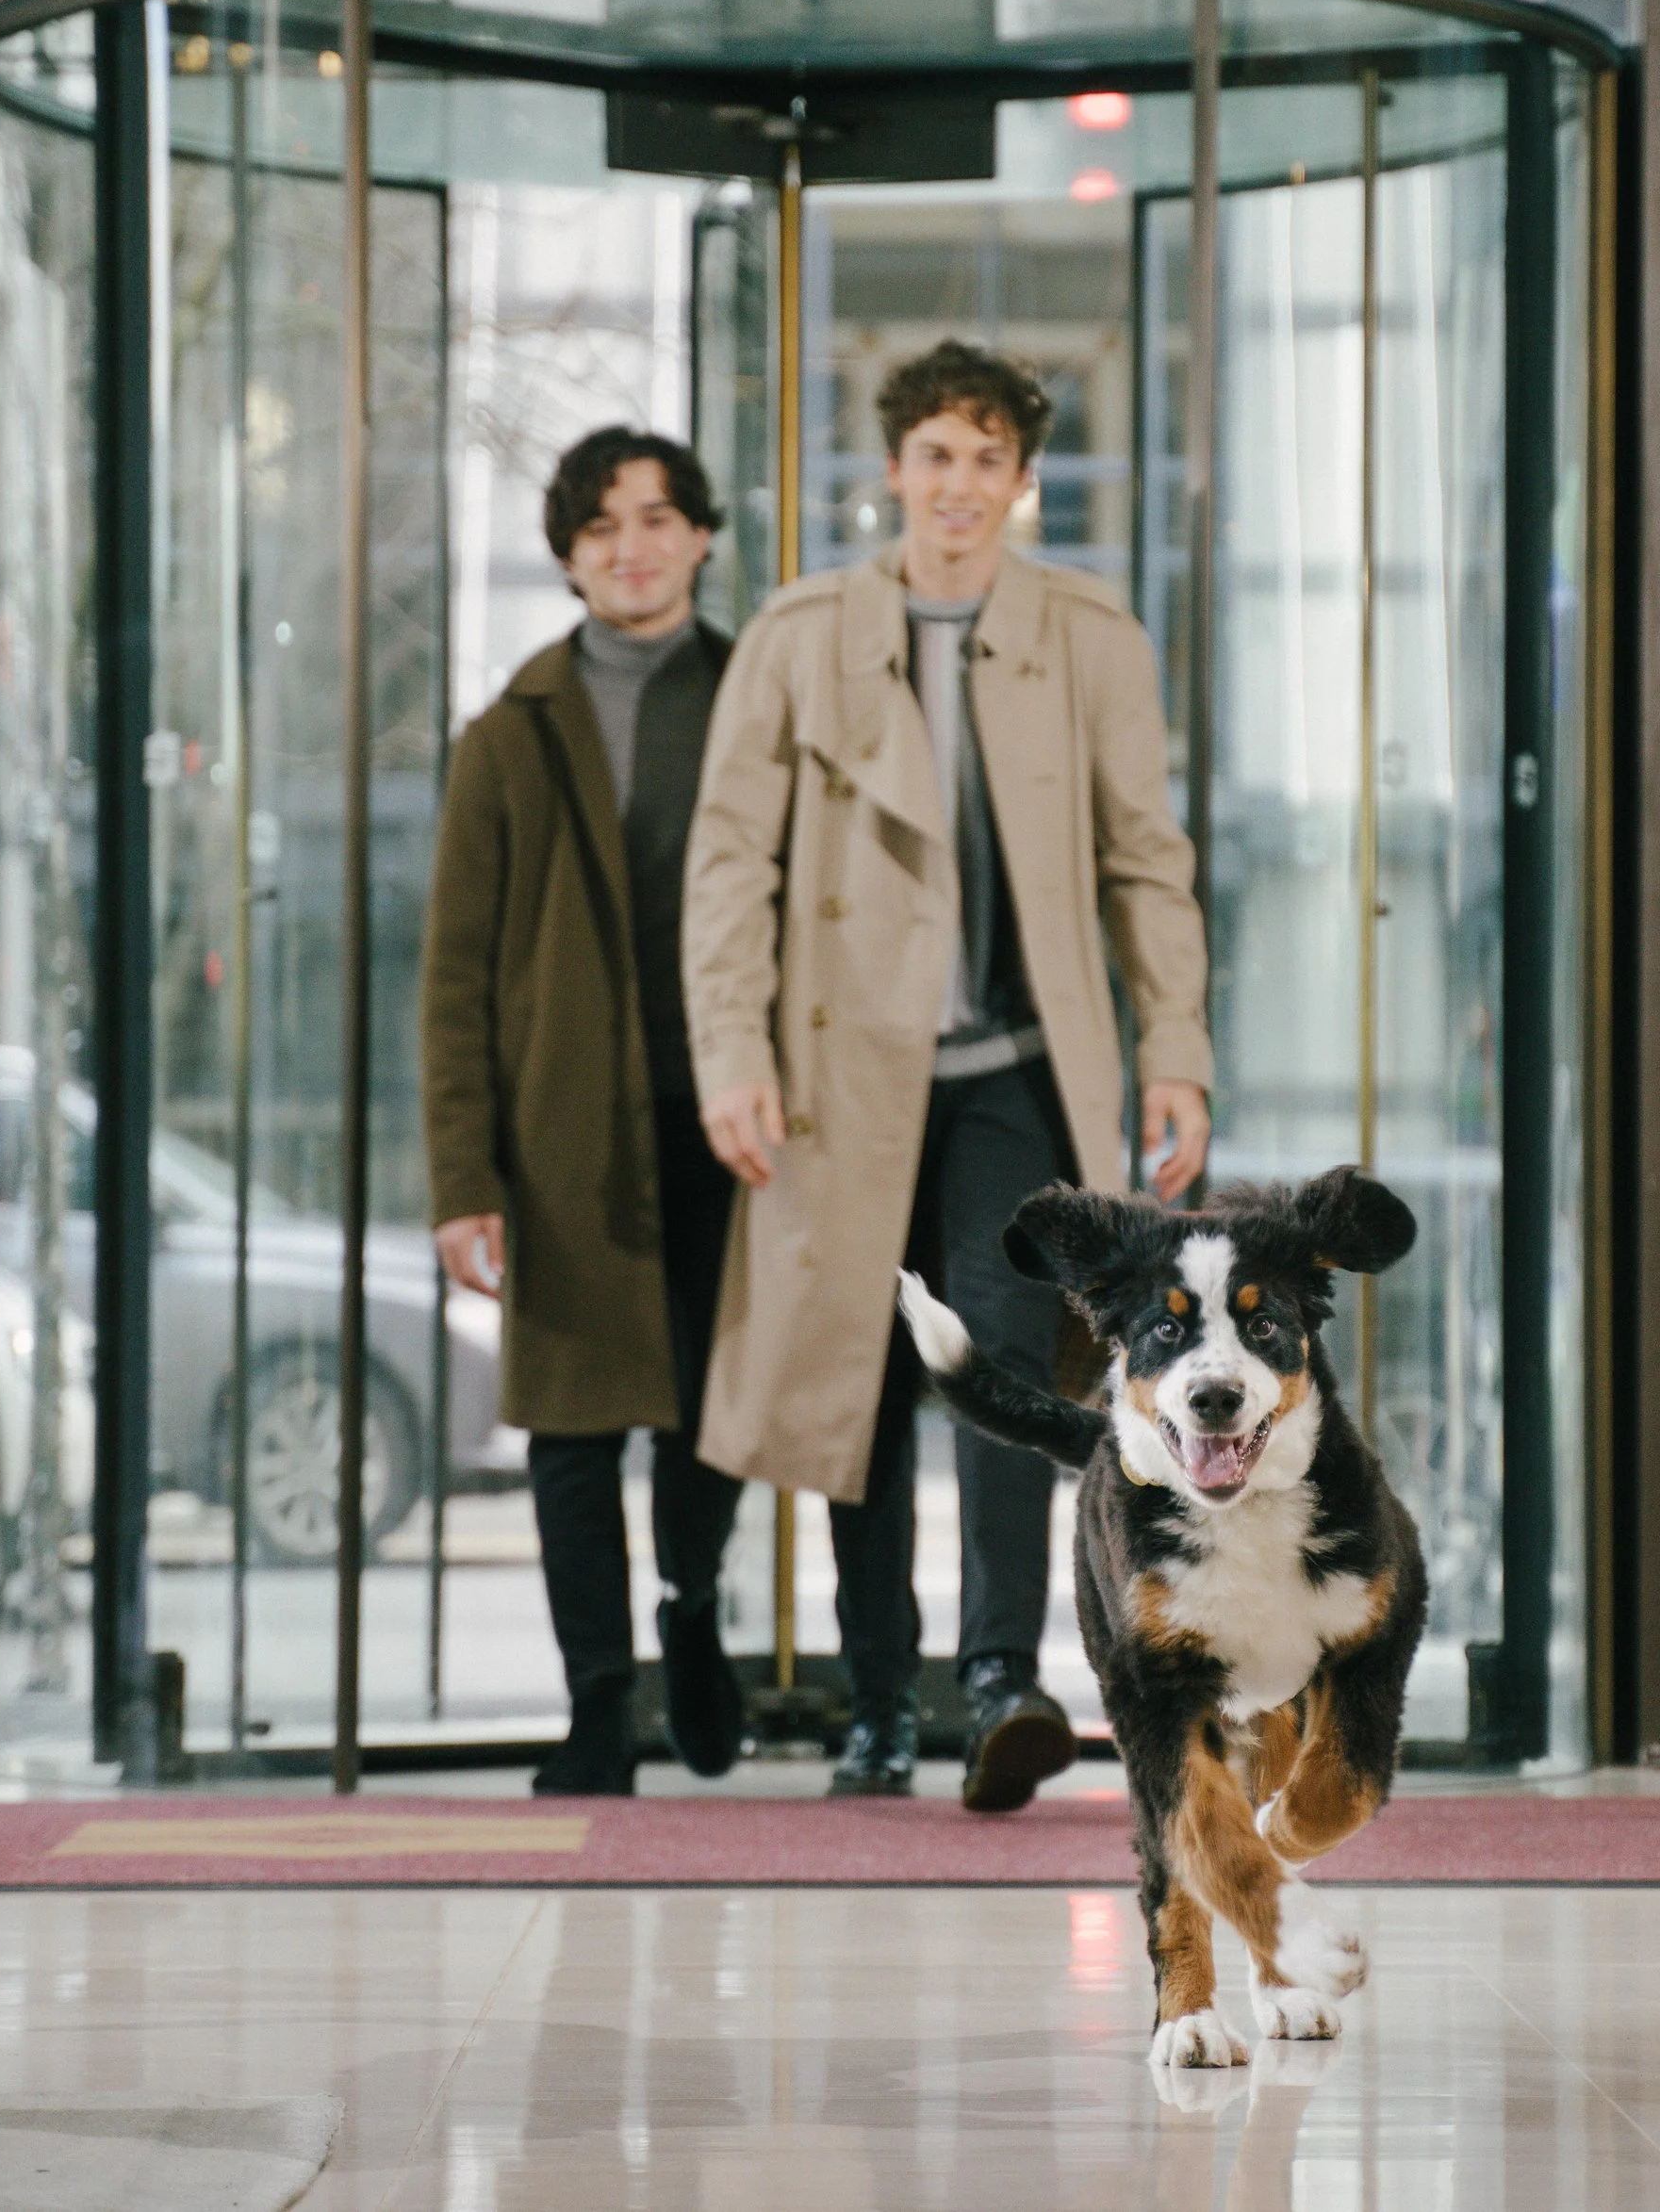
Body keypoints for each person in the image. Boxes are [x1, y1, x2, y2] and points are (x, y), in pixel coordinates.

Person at [683, 339, 1213, 1810]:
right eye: (936, 456)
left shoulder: (1089, 635)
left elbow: (1144, 860)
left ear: (1023, 480)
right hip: (836, 1072)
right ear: (894, 471)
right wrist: (730, 1051)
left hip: (1016, 1072)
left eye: (989, 459)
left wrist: (1174, 1048)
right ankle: (873, 1702)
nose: (960, 485)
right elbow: (729, 865)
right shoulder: (800, 635)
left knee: (993, 1364)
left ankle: (998, 1683)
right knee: (857, 1376)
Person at [420, 425, 746, 1796]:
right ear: (568, 555)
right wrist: (463, 1179)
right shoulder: (510, 734)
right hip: (564, 1138)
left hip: (732, 1123)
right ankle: (599, 1702)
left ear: (702, 537)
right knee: (570, 1434)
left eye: (659, 519)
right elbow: (455, 977)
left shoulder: (756, 699)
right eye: (603, 526)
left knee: (713, 1412)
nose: (633, 548)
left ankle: (692, 1610)